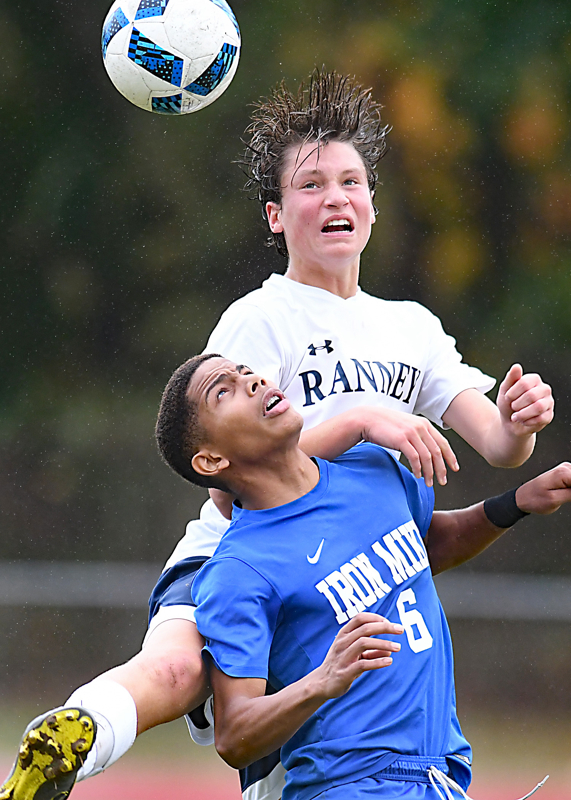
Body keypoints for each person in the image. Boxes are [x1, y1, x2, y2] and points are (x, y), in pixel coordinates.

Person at [0, 72, 554, 800]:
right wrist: (358, 421)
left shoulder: (411, 328)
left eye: (350, 182)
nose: (335, 197)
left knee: (306, 754)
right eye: (310, 185)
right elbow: (231, 480)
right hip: (242, 549)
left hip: (341, 562)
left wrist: (517, 422)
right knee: (178, 668)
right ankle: (78, 732)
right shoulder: (260, 319)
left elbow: (499, 448)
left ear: (373, 203)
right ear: (274, 215)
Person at [160, 355, 563, 799]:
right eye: (223, 391)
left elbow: (424, 546)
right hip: (350, 787)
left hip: (441, 778)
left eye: (244, 372)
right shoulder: (238, 570)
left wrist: (516, 503)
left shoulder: (372, 467)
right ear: (211, 460)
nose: (251, 381)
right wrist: (322, 680)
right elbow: (234, 736)